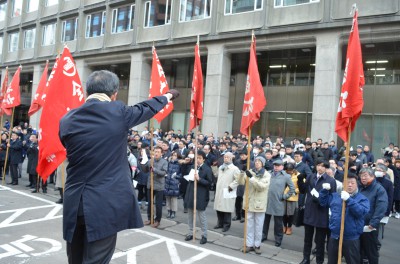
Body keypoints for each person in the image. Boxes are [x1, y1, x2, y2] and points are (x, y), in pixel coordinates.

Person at [59, 70, 179, 264]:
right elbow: (146, 107)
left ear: (87, 91)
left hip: (74, 200)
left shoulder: (67, 120)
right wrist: (168, 95)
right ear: (114, 94)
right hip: (103, 202)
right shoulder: (118, 112)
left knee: (75, 257)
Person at [319, 173, 370, 264]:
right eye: (347, 182)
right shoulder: (336, 196)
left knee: (352, 261)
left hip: (351, 238)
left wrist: (349, 200)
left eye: (352, 183)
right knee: (332, 261)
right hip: (335, 235)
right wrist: (324, 191)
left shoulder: (362, 199)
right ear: (343, 183)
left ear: (356, 184)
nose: (349, 185)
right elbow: (323, 202)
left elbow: (360, 212)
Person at [297, 159, 337, 264]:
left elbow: (333, 199)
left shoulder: (330, 180)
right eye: (318, 165)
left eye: (323, 166)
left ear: (326, 168)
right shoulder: (311, 176)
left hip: (321, 213)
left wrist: (321, 200)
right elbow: (303, 190)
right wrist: (300, 181)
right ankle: (306, 258)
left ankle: (319, 260)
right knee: (307, 239)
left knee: (320, 241)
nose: (320, 168)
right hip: (310, 211)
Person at [239, 156, 271, 254]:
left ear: (263, 164)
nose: (257, 163)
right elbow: (241, 182)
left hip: (259, 203)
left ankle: (257, 245)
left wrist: (252, 178)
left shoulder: (266, 174)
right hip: (249, 202)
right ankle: (249, 244)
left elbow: (261, 187)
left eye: (259, 161)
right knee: (249, 225)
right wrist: (242, 172)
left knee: (258, 225)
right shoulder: (250, 171)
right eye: (256, 161)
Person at [262, 159, 295, 247]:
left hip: (278, 202)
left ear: (282, 167)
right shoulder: (269, 174)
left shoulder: (286, 176)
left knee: (278, 223)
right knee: (265, 221)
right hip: (268, 201)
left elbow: (292, 189)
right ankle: (263, 235)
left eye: (278, 166)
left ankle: (278, 239)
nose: (276, 167)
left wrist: (284, 196)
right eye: (275, 166)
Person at [358, 167, 388, 264]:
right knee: (358, 251)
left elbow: (381, 208)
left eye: (365, 175)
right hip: (357, 224)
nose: (363, 178)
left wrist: (373, 223)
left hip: (369, 226)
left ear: (372, 176)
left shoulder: (379, 189)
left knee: (371, 252)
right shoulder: (359, 187)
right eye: (361, 176)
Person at [184, 150, 213, 244]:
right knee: (190, 215)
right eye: (197, 158)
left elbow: (210, 183)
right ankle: (190, 232)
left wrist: (199, 179)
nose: (198, 160)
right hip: (191, 193)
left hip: (201, 195)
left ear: (203, 159)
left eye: (200, 158)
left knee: (201, 216)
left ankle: (204, 235)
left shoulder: (207, 169)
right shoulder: (193, 167)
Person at [213, 152, 240, 232]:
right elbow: (216, 175)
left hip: (228, 190)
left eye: (228, 157)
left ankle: (226, 225)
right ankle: (219, 223)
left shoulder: (235, 169)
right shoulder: (221, 167)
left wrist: (231, 186)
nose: (226, 158)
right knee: (219, 208)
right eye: (225, 157)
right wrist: (214, 167)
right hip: (220, 190)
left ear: (231, 158)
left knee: (227, 209)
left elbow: (238, 180)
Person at [143, 146, 168, 228]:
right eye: (155, 152)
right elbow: (145, 170)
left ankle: (157, 220)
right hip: (150, 185)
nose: (156, 153)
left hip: (159, 186)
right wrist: (143, 163)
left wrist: (155, 170)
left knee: (158, 204)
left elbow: (163, 173)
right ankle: (150, 218)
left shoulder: (164, 162)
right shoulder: (151, 160)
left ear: (161, 153)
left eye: (158, 152)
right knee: (150, 203)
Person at [283, 163, 300, 235]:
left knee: (290, 214)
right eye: (287, 170)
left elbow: (301, 186)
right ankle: (284, 226)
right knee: (283, 213)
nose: (289, 172)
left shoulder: (298, 175)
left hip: (292, 197)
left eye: (290, 170)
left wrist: (295, 192)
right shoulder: (283, 174)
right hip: (283, 196)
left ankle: (289, 227)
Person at [164, 152, 181, 219]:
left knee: (174, 199)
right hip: (168, 181)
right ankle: (169, 211)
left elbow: (181, 174)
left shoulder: (179, 164)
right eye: (173, 155)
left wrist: (176, 176)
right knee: (168, 198)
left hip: (174, 182)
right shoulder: (169, 163)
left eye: (175, 155)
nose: (174, 156)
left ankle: (173, 212)